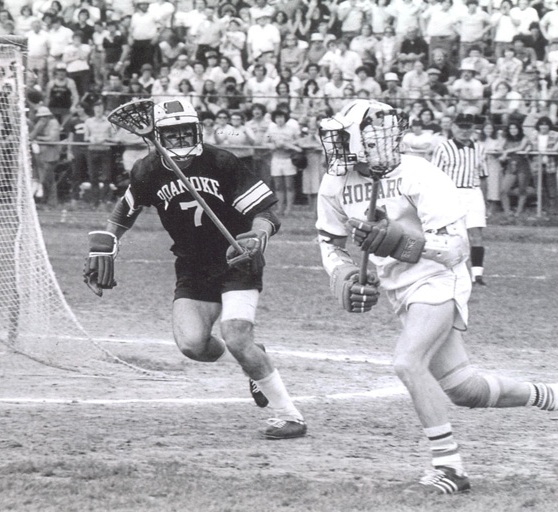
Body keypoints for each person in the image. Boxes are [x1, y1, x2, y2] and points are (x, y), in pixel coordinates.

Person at [315, 99, 557, 494]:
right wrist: (341, 272)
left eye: (345, 138)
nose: (337, 147)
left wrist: (402, 242)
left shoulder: (420, 174)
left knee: (408, 362)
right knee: (465, 390)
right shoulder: (334, 183)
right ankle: (550, 395)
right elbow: (329, 241)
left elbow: (456, 248)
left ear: (369, 138)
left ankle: (449, 467)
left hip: (437, 278)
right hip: (399, 286)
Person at [84, 99, 307, 440]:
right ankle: (252, 358)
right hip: (191, 264)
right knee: (193, 345)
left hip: (236, 257)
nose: (179, 140)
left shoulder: (221, 161)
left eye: (186, 132)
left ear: (198, 129)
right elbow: (125, 209)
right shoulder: (147, 170)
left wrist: (259, 234)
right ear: (156, 136)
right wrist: (108, 242)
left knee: (235, 335)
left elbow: (267, 212)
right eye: (170, 135)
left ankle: (290, 415)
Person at [431, 113, 489, 285]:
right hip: (451, 193)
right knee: (452, 234)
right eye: (461, 127)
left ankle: (477, 274)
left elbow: (483, 176)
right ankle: (451, 272)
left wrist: (484, 200)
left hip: (473, 192)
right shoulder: (443, 148)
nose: (464, 131)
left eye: (468, 127)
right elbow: (435, 176)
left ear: (473, 128)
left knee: (476, 233)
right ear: (453, 127)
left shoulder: (479, 149)